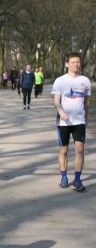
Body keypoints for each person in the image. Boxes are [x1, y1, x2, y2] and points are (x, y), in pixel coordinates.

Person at [51, 52, 91, 192]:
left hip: (79, 121)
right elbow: (56, 100)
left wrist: (86, 119)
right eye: (73, 62)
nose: (76, 64)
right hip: (63, 122)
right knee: (64, 149)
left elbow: (86, 102)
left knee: (80, 149)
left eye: (78, 62)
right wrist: (61, 112)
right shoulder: (60, 81)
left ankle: (78, 180)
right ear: (67, 64)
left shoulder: (85, 81)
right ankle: (63, 176)